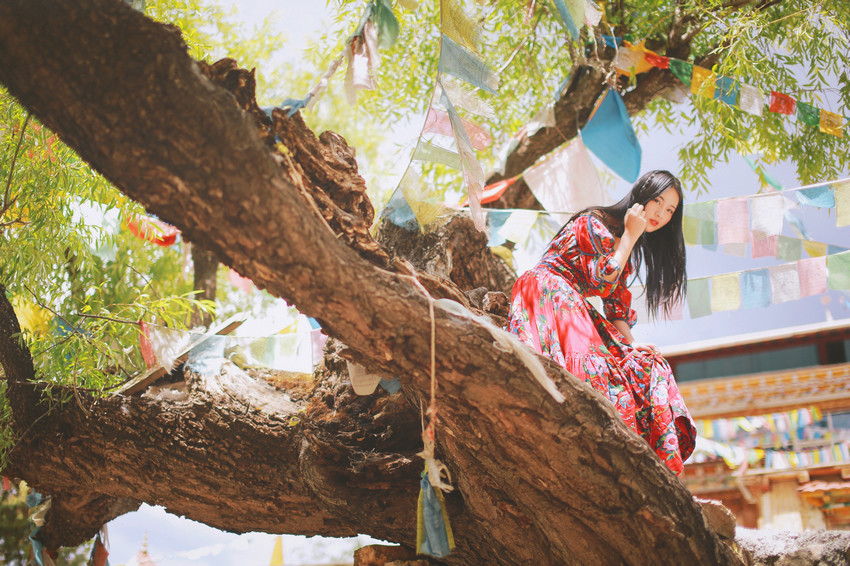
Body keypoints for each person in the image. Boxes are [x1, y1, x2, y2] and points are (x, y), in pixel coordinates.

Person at [508, 170, 696, 474]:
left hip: (573, 304)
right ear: (642, 196)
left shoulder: (628, 249)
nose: (661, 214)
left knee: (647, 366)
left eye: (670, 210)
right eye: (657, 202)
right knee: (594, 374)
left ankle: (645, 466)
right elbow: (603, 276)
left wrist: (634, 347)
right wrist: (631, 235)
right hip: (548, 292)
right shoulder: (594, 222)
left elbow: (616, 306)